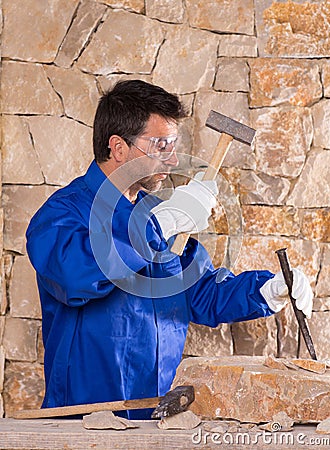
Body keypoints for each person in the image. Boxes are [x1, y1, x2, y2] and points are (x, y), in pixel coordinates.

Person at [26, 80, 313, 419]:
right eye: (161, 145)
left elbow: (201, 293)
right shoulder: (60, 215)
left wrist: (265, 290)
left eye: (173, 145)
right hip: (85, 419)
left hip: (159, 416)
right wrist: (156, 227)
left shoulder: (156, 214)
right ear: (118, 148)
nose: (174, 159)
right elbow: (77, 276)